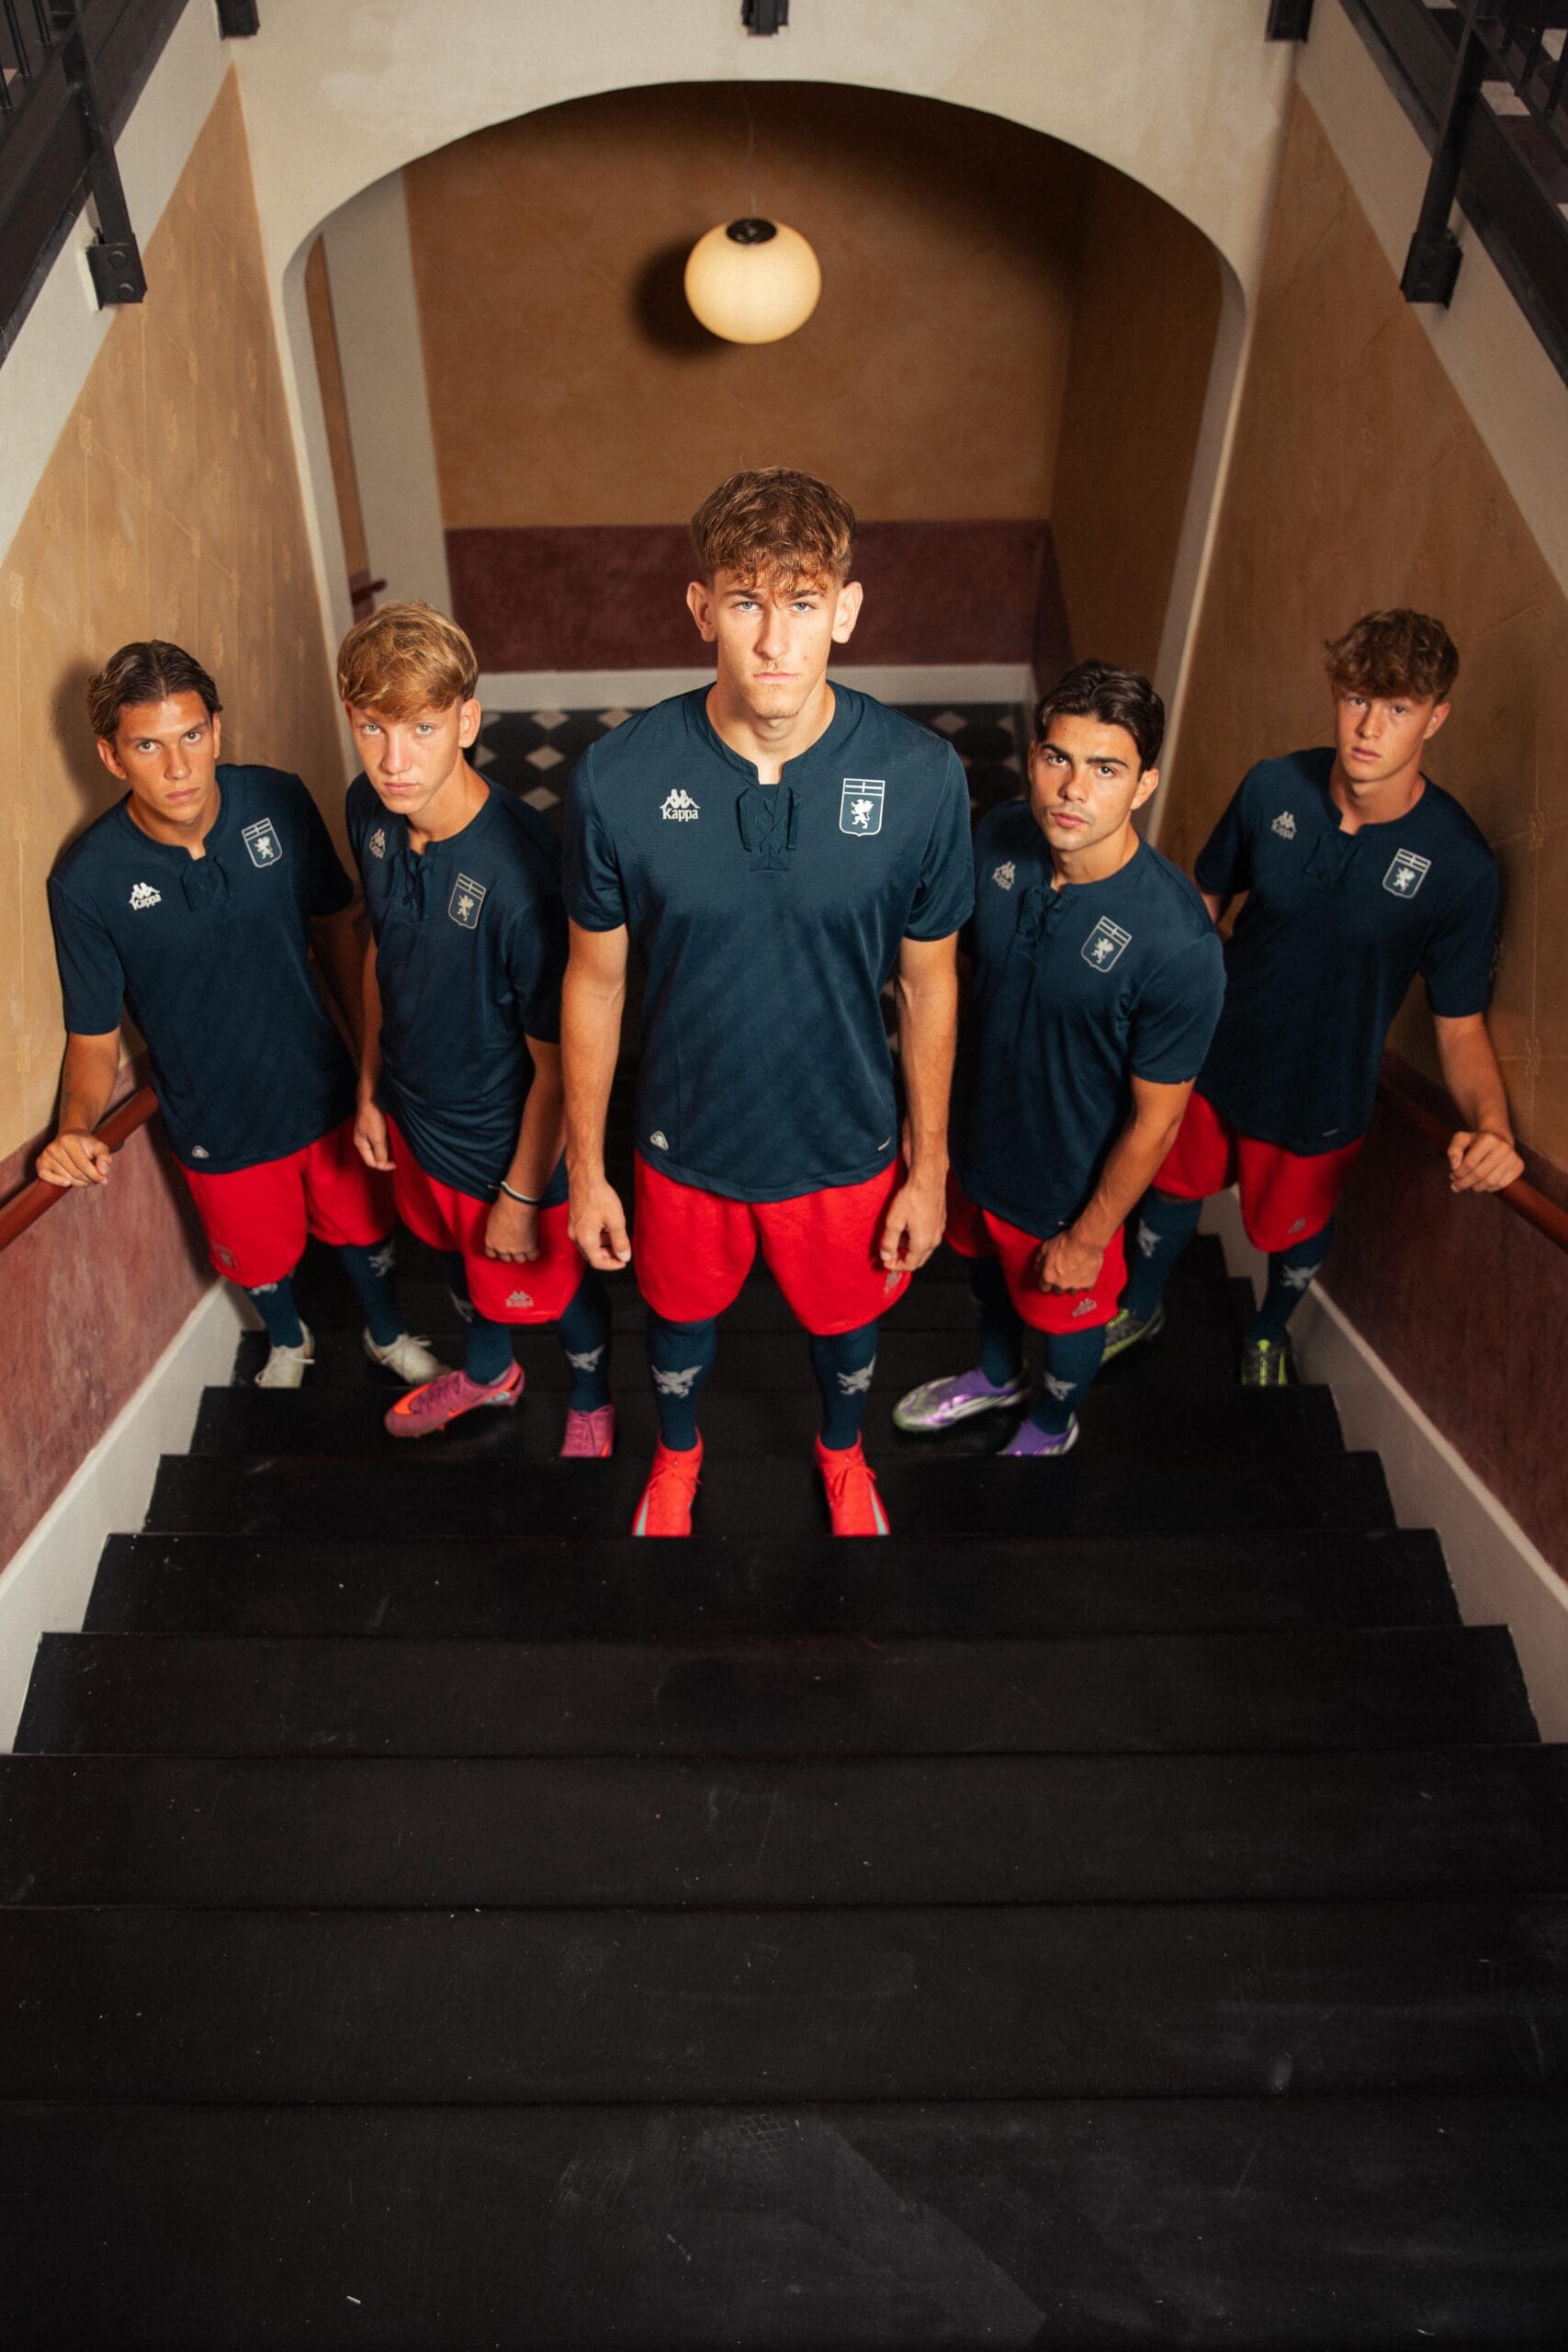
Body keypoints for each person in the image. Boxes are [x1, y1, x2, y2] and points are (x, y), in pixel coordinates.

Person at [562, 467, 973, 1535]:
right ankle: (678, 1456)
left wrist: (930, 1167)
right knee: (676, 1322)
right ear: (702, 608)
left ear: (847, 609)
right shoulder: (617, 776)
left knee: (847, 1329)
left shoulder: (924, 777)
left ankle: (843, 1453)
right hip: (683, 1135)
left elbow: (928, 980)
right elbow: (595, 978)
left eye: (802, 603)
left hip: (846, 1138)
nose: (776, 641)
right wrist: (587, 1167)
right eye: (746, 602)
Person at [1108, 609, 1523, 1384]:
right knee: (1167, 1184)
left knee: (1291, 1232)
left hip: (1321, 1092)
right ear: (1335, 694)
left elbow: (1459, 1025)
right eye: (1356, 698)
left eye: (1396, 708)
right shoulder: (1273, 786)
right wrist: (1149, 1007)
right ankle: (1139, 1304)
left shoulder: (1459, 865)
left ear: (1434, 718)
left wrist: (1491, 1127)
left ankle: (1268, 1332)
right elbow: (1200, 902)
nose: (1368, 727)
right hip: (1213, 1053)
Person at [39, 639, 440, 1389]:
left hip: (321, 1090)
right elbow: (92, 1039)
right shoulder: (87, 881)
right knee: (256, 1260)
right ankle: (287, 1340)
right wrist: (75, 1126)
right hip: (215, 1120)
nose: (179, 767)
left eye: (192, 735)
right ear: (111, 756)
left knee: (366, 1231)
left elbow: (338, 930)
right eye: (148, 746)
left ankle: (386, 1333)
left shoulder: (275, 800)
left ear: (217, 730)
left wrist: (370, 1070)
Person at [894, 661, 1224, 1455]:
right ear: (1033, 756)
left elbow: (1157, 1121)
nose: (1072, 789)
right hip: (975, 1144)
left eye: (1105, 769)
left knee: (1066, 1319)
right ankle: (996, 1376)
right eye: (1057, 758)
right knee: (982, 1278)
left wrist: (1089, 1235)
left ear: (1143, 786)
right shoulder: (999, 836)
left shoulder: (1178, 943)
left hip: (1064, 1189)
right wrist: (928, 1132)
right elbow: (952, 979)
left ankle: (1051, 1421)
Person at [340, 602, 615, 1452]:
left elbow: (560, 1068)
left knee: (556, 1290)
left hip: (505, 1142)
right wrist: (369, 1087)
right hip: (415, 1115)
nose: (393, 761)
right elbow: (381, 950)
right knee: (461, 1269)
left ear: (466, 722)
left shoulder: (523, 880)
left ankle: (593, 1396)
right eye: (372, 728)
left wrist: (521, 1196)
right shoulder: (367, 810)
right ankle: (492, 1374)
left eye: (421, 729)